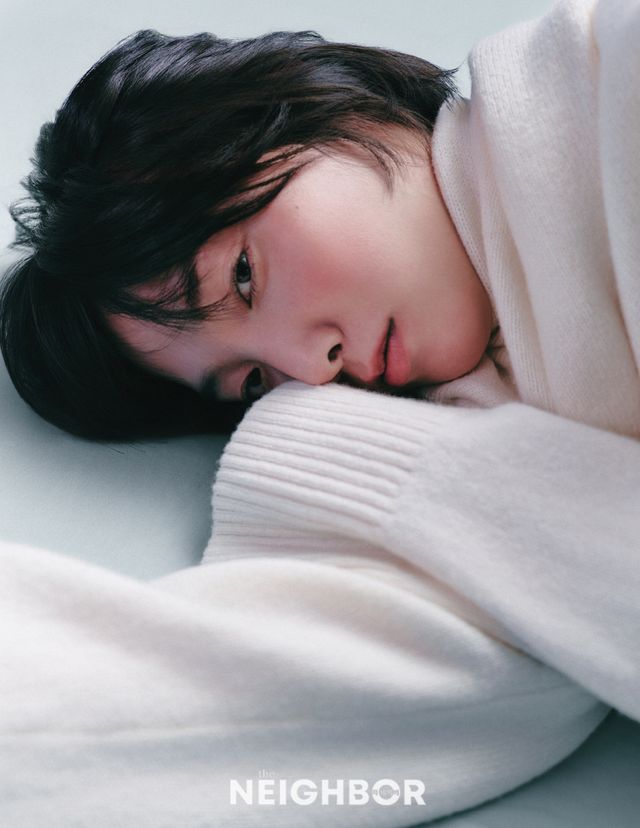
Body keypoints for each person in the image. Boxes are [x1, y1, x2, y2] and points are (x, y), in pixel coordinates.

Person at [0, 0, 639, 824]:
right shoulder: (440, 457)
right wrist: (348, 459)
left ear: (335, 113)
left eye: (242, 277)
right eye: (249, 383)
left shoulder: (605, 80)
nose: (310, 369)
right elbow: (260, 707)